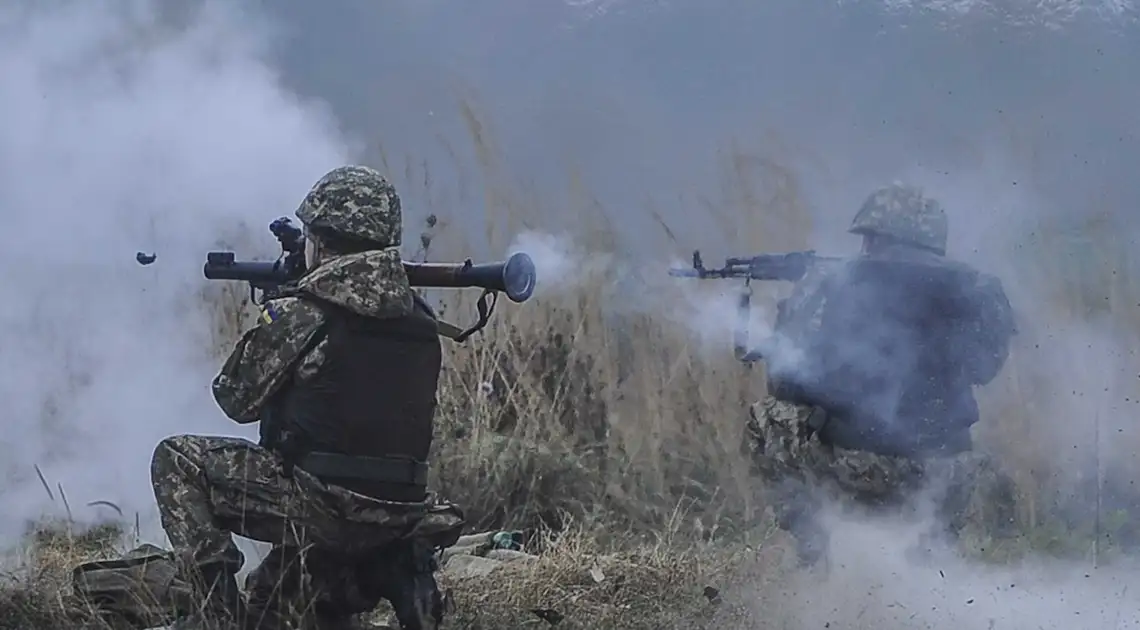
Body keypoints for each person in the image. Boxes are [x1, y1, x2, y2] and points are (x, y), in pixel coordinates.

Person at [151, 165, 466, 629]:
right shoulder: (419, 317)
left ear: (320, 239)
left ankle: (213, 618)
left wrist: (275, 315)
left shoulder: (305, 312)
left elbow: (235, 401)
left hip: (323, 506)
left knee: (176, 459)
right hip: (399, 512)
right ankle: (389, 570)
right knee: (271, 608)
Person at [744, 183, 1018, 569]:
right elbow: (985, 369)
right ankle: (932, 552)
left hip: (860, 466)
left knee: (769, 417)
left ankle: (816, 552)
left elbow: (789, 380)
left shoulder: (838, 282)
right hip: (947, 473)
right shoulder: (974, 288)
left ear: (875, 237)